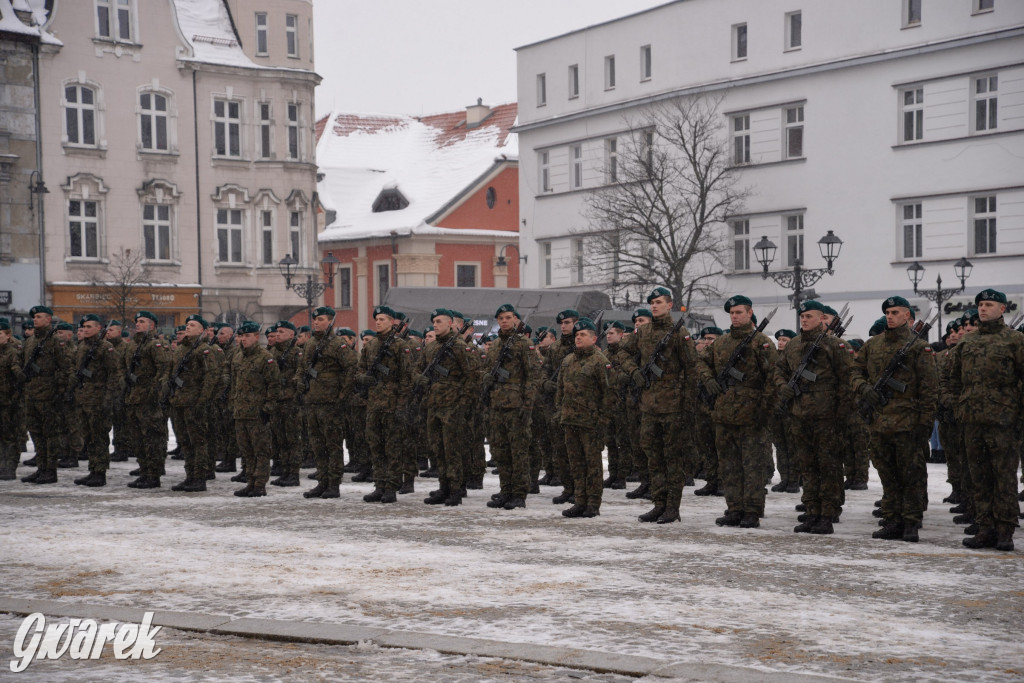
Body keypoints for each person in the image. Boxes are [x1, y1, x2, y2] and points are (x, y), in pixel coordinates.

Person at [851, 296, 938, 543]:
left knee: (911, 475)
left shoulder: (919, 347)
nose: (890, 316)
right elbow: (855, 370)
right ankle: (892, 520)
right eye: (887, 312)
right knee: (887, 474)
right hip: (879, 421)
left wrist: (925, 423)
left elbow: (929, 389)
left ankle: (910, 523)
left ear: (908, 317)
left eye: (895, 312)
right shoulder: (872, 345)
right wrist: (863, 387)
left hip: (908, 423)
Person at [950, 289, 1024, 552]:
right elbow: (952, 378)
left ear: (1002, 309)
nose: (983, 309)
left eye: (989, 304)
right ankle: (985, 528)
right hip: (972, 421)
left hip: (1003, 421)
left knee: (1004, 478)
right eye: (980, 304)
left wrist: (1018, 416)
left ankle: (1005, 530)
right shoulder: (967, 343)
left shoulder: (1015, 341)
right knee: (979, 478)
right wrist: (959, 407)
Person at [618, 288, 699, 524]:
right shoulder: (643, 332)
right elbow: (622, 351)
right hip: (649, 405)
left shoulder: (679, 333)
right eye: (652, 303)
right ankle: (658, 503)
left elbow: (692, 371)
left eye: (659, 302)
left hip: (673, 406)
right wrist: (634, 372)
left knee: (673, 459)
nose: (654, 306)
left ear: (669, 305)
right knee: (653, 457)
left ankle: (672, 508)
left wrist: (688, 407)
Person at [774, 301, 854, 534]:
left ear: (821, 318)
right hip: (799, 415)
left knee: (828, 466)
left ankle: (827, 514)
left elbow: (847, 381)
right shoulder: (794, 345)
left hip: (826, 416)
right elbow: (779, 370)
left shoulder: (834, 345)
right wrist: (783, 387)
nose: (805, 320)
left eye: (809, 316)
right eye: (802, 317)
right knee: (806, 466)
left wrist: (841, 415)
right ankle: (811, 511)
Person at [700, 295, 776, 529]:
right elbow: (700, 363)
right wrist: (708, 379)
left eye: (739, 312)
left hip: (751, 413)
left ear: (750, 313)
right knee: (729, 465)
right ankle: (734, 507)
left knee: (752, 465)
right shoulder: (721, 343)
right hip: (724, 412)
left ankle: (752, 510)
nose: (735, 316)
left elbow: (773, 377)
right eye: (732, 313)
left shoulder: (761, 342)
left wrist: (764, 409)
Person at [483, 304, 538, 510]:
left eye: (508, 317)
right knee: (501, 452)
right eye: (501, 318)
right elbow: (486, 370)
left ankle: (519, 493)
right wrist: (486, 379)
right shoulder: (496, 345)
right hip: (497, 405)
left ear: (515, 319)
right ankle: (506, 489)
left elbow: (532, 376)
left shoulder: (524, 344)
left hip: (517, 406)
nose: (505, 321)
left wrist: (527, 405)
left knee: (518, 452)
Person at [418, 309, 475, 506]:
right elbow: (418, 369)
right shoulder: (431, 348)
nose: (435, 324)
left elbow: (472, 376)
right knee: (438, 449)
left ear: (450, 323)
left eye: (439, 321)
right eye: (434, 321)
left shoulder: (459, 346)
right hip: (434, 405)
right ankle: (443, 486)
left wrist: (463, 404)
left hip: (453, 407)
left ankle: (456, 489)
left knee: (453, 450)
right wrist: (419, 379)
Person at [298, 306, 355, 499]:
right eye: (315, 319)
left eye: (320, 319)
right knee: (317, 444)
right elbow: (302, 368)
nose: (316, 322)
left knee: (333, 445)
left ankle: (334, 484)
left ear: (330, 321)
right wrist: (300, 386)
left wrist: (342, 396)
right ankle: (322, 481)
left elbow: (350, 370)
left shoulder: (338, 344)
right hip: (312, 401)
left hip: (331, 403)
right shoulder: (310, 343)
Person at [555, 318, 610, 518]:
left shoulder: (600, 361)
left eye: (583, 334)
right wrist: (560, 411)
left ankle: (593, 503)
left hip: (591, 422)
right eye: (577, 335)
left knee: (592, 465)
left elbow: (608, 394)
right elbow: (560, 389)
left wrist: (602, 421)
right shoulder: (568, 360)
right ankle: (580, 501)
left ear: (594, 338)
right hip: (570, 421)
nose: (578, 337)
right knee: (576, 464)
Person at [355, 305, 411, 504]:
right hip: (374, 404)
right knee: (375, 447)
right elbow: (359, 370)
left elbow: (407, 378)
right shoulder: (370, 346)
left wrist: (401, 406)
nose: (378, 322)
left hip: (392, 404)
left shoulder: (398, 345)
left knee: (392, 448)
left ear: (392, 322)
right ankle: (379, 485)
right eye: (376, 319)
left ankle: (391, 487)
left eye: (383, 319)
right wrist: (364, 379)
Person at [20, 306, 73, 484]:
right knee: (36, 433)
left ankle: (50, 471)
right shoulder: (30, 341)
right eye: (34, 317)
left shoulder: (55, 341)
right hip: (32, 393)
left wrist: (57, 390)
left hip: (49, 395)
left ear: (48, 320)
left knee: (50, 435)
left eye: (39, 317)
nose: (35, 320)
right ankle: (41, 467)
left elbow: (66, 369)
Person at [167, 315, 221, 492]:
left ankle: (199, 477)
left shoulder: (205, 350)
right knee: (185, 442)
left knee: (198, 442)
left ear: (202, 330)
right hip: (180, 401)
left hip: (194, 403)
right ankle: (190, 476)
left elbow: (211, 377)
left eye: (192, 325)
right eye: (187, 324)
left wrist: (202, 401)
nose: (188, 327)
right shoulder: (181, 349)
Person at [230, 321, 281, 497]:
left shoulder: (265, 358)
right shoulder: (238, 357)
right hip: (241, 412)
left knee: (260, 450)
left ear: (256, 337)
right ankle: (250, 481)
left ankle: (259, 484)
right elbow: (234, 384)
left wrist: (267, 409)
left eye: (247, 336)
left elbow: (274, 386)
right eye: (242, 336)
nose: (244, 339)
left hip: (257, 413)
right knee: (246, 451)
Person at [123, 311, 171, 489]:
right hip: (134, 397)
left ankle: (154, 475)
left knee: (152, 439)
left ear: (152, 325)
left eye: (142, 321)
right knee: (138, 439)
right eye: (137, 321)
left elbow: (164, 370)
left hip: (149, 399)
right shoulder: (133, 345)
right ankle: (144, 471)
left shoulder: (155, 345)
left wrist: (156, 394)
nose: (138, 324)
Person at [70, 315, 118, 487]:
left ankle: (100, 472)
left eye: (90, 326)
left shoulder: (106, 347)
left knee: (99, 438)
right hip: (84, 398)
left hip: (98, 400)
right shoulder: (82, 347)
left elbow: (114, 375)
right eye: (84, 326)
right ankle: (92, 469)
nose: (86, 329)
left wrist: (107, 399)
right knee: (88, 437)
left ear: (99, 328)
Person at [0, 318, 25, 480]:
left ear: (8, 335)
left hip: (10, 401)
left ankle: (10, 467)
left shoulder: (13, 352)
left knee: (10, 436)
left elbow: (19, 377)